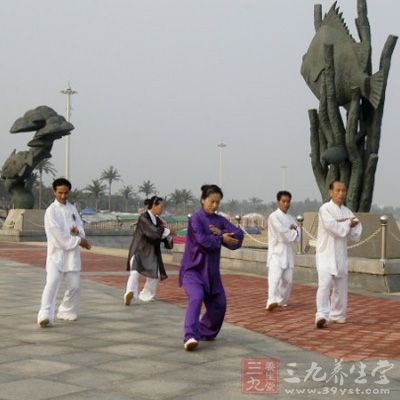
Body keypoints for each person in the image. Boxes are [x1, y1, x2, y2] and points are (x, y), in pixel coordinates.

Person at [179, 184, 244, 351]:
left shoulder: (219, 220)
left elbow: (238, 234)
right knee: (196, 297)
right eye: (211, 201)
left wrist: (222, 235)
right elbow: (203, 241)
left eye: (218, 202)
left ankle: (204, 331)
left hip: (212, 274)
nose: (214, 205)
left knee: (220, 305)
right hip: (193, 270)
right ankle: (190, 336)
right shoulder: (195, 219)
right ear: (202, 200)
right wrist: (221, 237)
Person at [37, 178, 91, 328]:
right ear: (54, 191)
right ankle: (45, 313)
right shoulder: (51, 211)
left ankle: (66, 310)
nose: (63, 196)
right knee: (52, 282)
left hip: (72, 255)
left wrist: (78, 232)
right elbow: (58, 235)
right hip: (56, 254)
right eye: (60, 192)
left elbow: (80, 227)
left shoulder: (72, 209)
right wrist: (79, 241)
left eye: (66, 193)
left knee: (74, 286)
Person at [315, 181, 362, 328]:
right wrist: (348, 224)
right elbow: (334, 228)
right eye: (338, 190)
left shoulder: (347, 211)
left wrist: (348, 223)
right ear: (330, 192)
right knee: (324, 284)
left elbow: (357, 229)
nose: (341, 193)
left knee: (340, 287)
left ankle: (338, 314)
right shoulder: (325, 209)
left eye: (343, 191)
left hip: (340, 254)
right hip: (325, 254)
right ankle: (321, 314)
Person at [124, 196, 173, 304]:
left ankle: (145, 295)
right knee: (135, 272)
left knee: (156, 275)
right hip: (139, 250)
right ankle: (129, 293)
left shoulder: (159, 221)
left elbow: (162, 236)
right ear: (154, 205)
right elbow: (153, 232)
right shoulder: (143, 217)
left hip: (151, 253)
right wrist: (166, 230)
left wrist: (169, 236)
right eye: (161, 207)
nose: (162, 209)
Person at [266, 190, 300, 311]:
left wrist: (294, 231)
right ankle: (271, 300)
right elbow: (282, 233)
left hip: (288, 253)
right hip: (276, 252)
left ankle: (281, 300)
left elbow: (298, 233)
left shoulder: (291, 218)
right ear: (278, 202)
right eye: (283, 201)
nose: (286, 204)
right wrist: (293, 231)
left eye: (288, 201)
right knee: (274, 278)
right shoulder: (273, 217)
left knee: (288, 280)